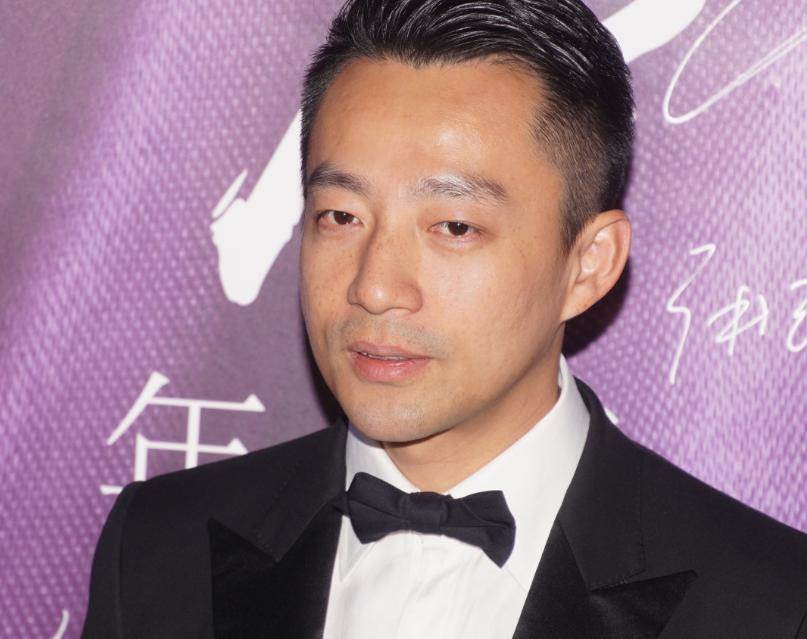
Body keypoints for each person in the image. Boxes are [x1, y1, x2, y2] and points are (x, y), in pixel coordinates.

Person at [81, 0, 807, 637]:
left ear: (587, 264)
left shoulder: (768, 603)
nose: (373, 287)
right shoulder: (158, 547)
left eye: (453, 227)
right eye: (340, 215)